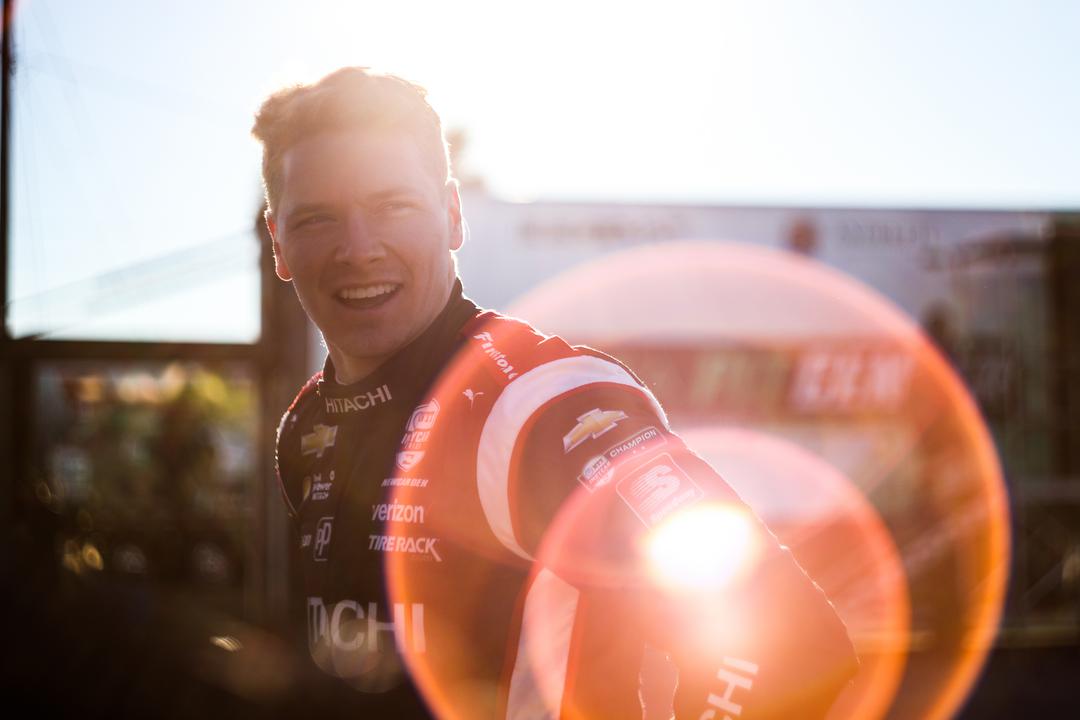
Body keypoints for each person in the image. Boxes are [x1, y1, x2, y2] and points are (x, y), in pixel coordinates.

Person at [253, 67, 857, 719]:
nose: (359, 248)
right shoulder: (308, 428)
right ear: (279, 243)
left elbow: (789, 646)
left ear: (453, 216)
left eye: (393, 207)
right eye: (317, 219)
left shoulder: (542, 406)